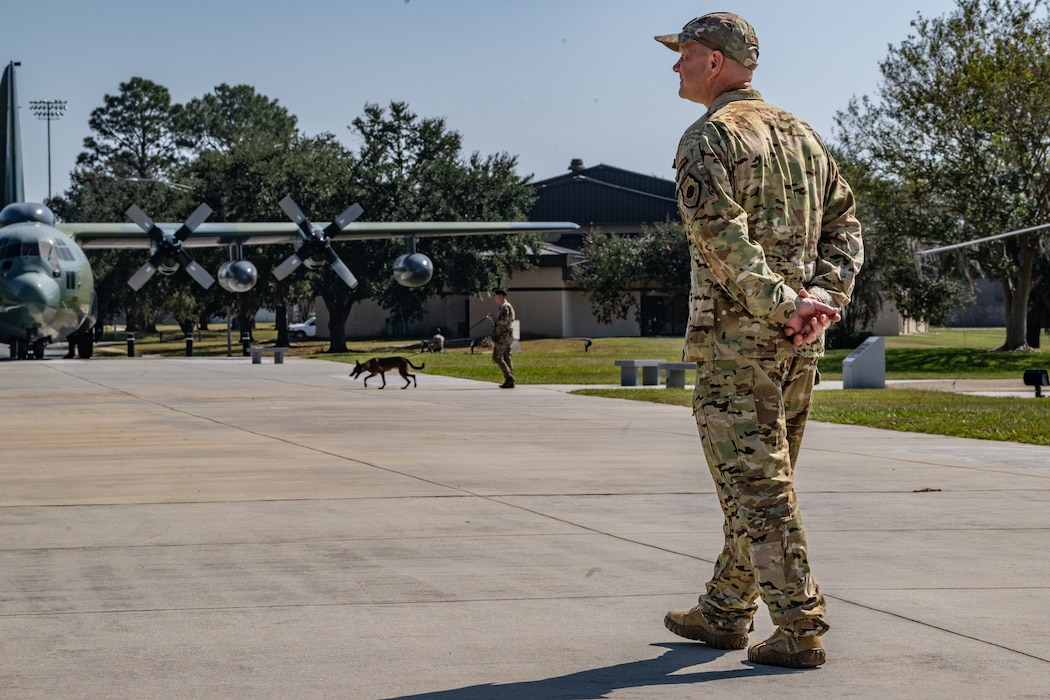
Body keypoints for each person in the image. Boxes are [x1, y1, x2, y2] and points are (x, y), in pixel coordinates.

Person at [654, 12, 863, 669]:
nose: (675, 65)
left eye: (683, 53)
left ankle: (799, 626)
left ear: (715, 60)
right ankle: (724, 610)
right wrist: (821, 302)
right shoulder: (802, 135)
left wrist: (781, 305)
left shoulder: (709, 137)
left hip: (738, 346)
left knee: (759, 489)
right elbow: (846, 225)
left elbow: (721, 237)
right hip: (799, 344)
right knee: (758, 481)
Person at [485, 289, 516, 388]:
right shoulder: (505, 306)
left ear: (501, 296)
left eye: (496, 296)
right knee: (507, 357)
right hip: (508, 334)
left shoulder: (505, 307)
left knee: (497, 356)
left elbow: (505, 321)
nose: (495, 298)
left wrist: (493, 319)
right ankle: (510, 380)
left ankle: (509, 377)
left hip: (505, 334)